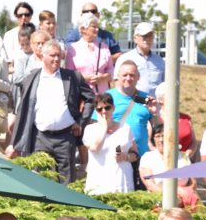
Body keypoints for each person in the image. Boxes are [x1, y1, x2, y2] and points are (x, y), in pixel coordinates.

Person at [10, 39, 95, 184]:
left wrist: (81, 122)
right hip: (40, 138)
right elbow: (23, 107)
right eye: (52, 55)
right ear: (42, 56)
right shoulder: (31, 78)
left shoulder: (73, 77)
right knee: (40, 182)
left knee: (67, 183)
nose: (56, 59)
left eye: (58, 55)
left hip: (65, 138)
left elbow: (91, 98)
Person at [83, 92, 137, 194]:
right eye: (99, 109)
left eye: (107, 108)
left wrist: (126, 157)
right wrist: (104, 127)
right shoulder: (90, 129)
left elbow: (135, 154)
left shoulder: (125, 128)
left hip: (121, 179)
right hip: (98, 181)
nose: (104, 111)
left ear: (113, 108)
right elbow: (94, 148)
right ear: (96, 111)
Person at [139, 123, 197, 208]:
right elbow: (150, 185)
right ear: (153, 139)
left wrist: (184, 195)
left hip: (184, 203)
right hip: (158, 203)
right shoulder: (148, 157)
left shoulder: (183, 157)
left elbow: (193, 183)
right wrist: (173, 197)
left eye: (164, 136)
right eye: (157, 136)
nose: (161, 140)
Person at [107, 60, 157, 156]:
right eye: (125, 75)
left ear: (138, 77)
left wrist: (154, 113)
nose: (128, 78)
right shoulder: (108, 97)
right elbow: (97, 124)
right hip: (116, 156)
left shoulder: (146, 98)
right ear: (118, 76)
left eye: (132, 75)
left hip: (141, 156)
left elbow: (157, 127)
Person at [65, 12, 112, 95]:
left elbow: (111, 71)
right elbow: (69, 75)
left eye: (97, 27)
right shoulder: (72, 49)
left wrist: (102, 77)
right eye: (94, 27)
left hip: (103, 96)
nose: (97, 29)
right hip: (82, 95)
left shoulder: (104, 47)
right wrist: (85, 78)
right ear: (83, 29)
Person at [115, 22, 164, 96]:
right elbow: (118, 84)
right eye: (144, 36)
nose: (148, 39)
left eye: (150, 35)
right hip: (133, 102)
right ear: (135, 38)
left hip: (155, 102)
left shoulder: (160, 61)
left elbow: (164, 86)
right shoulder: (124, 59)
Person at [2, 2, 34, 69]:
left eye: (26, 15)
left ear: (31, 16)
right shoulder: (9, 35)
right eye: (20, 15)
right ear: (16, 16)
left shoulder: (37, 34)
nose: (23, 17)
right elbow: (7, 58)